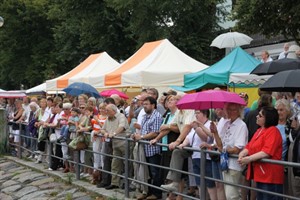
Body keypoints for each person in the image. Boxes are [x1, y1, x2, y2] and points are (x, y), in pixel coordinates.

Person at [238, 107, 284, 200]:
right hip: (261, 174)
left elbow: (267, 152)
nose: (257, 116)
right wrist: (242, 153)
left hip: (270, 176)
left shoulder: (273, 131)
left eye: (260, 115)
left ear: (267, 118)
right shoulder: (259, 130)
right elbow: (249, 146)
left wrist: (249, 159)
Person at [210, 103, 248, 200]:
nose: (231, 112)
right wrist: (215, 132)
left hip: (234, 165)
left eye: (234, 110)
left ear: (239, 111)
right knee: (229, 194)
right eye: (229, 109)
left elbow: (237, 148)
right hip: (226, 163)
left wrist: (225, 149)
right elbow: (220, 145)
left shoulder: (241, 125)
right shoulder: (227, 123)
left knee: (232, 196)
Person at [132, 96, 163, 200]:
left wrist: (141, 137)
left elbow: (155, 133)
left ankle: (157, 194)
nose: (144, 106)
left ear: (153, 105)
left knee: (155, 173)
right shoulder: (145, 116)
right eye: (143, 104)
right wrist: (136, 135)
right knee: (146, 172)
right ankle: (147, 192)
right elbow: (144, 130)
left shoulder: (157, 116)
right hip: (144, 148)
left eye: (146, 104)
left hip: (153, 149)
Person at [101, 104, 131, 190]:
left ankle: (127, 183)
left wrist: (114, 133)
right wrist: (105, 133)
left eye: (107, 110)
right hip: (115, 144)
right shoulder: (108, 118)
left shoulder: (121, 116)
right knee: (115, 163)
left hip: (124, 143)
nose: (106, 112)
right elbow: (102, 129)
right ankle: (115, 183)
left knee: (127, 164)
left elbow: (122, 127)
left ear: (113, 111)